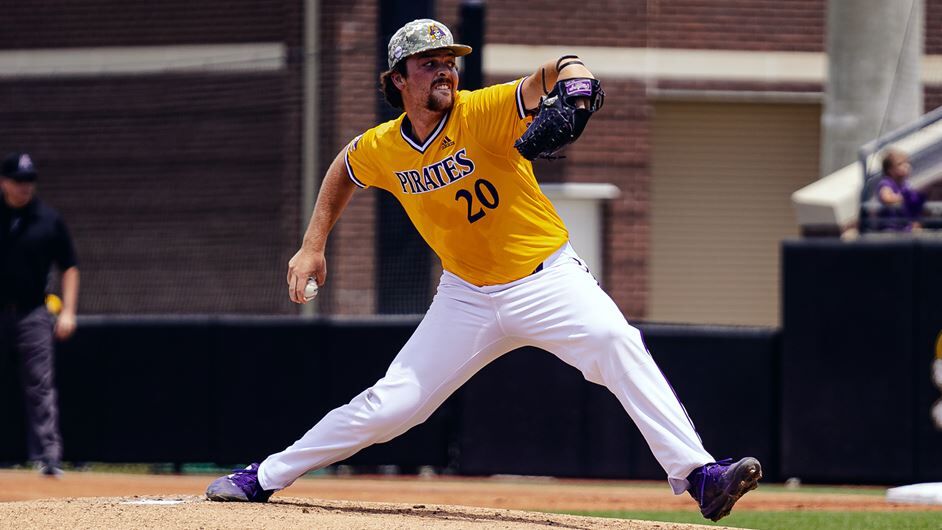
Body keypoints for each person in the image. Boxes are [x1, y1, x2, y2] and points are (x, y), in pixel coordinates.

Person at [206, 19, 761, 522]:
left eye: (450, 61)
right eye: (429, 63)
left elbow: (556, 69)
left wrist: (579, 85)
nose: (445, 70)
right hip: (466, 297)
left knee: (616, 341)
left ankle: (700, 475)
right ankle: (264, 477)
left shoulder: (483, 109)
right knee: (391, 407)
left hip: (548, 280)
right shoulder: (383, 146)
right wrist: (312, 244)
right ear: (399, 79)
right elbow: (344, 168)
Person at [0, 152, 79, 476]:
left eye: (29, 181)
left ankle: (48, 457)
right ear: (4, 182)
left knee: (40, 385)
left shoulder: (47, 219)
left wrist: (69, 312)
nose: (24, 188)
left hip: (33, 311)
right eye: (19, 181)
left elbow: (69, 265)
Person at [876, 149, 925, 232]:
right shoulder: (886, 183)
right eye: (900, 164)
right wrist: (904, 198)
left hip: (904, 226)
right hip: (890, 228)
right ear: (890, 170)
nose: (906, 166)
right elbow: (885, 197)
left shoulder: (906, 185)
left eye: (907, 163)